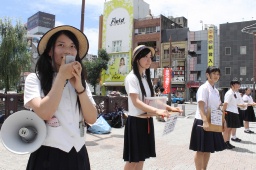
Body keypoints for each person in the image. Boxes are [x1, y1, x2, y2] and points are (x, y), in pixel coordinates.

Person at [24, 25, 97, 170]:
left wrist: (80, 88)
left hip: (78, 152)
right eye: (61, 45)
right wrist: (62, 76)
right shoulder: (35, 79)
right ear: (50, 51)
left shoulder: (81, 82)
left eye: (72, 46)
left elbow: (92, 118)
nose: (68, 50)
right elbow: (45, 113)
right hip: (47, 155)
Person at [123, 45, 182, 170]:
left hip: (147, 121)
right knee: (133, 160)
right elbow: (136, 102)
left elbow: (154, 101)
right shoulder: (131, 78)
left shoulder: (146, 78)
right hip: (135, 122)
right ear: (136, 59)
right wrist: (157, 111)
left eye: (150, 57)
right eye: (145, 57)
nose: (149, 60)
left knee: (141, 158)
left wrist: (171, 108)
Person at [189, 66, 226, 170]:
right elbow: (201, 106)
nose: (216, 76)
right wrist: (205, 121)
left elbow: (218, 107)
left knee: (208, 149)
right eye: (214, 73)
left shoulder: (216, 91)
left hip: (213, 121)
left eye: (218, 74)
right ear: (207, 75)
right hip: (202, 121)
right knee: (200, 150)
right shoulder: (203, 88)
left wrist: (223, 120)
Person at [222, 80, 246, 149]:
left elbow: (236, 104)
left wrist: (243, 105)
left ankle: (227, 142)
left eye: (239, 84)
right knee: (227, 129)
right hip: (229, 112)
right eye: (237, 84)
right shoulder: (229, 93)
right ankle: (224, 143)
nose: (239, 85)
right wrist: (223, 113)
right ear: (232, 85)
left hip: (234, 112)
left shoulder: (235, 93)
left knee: (230, 129)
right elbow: (225, 104)